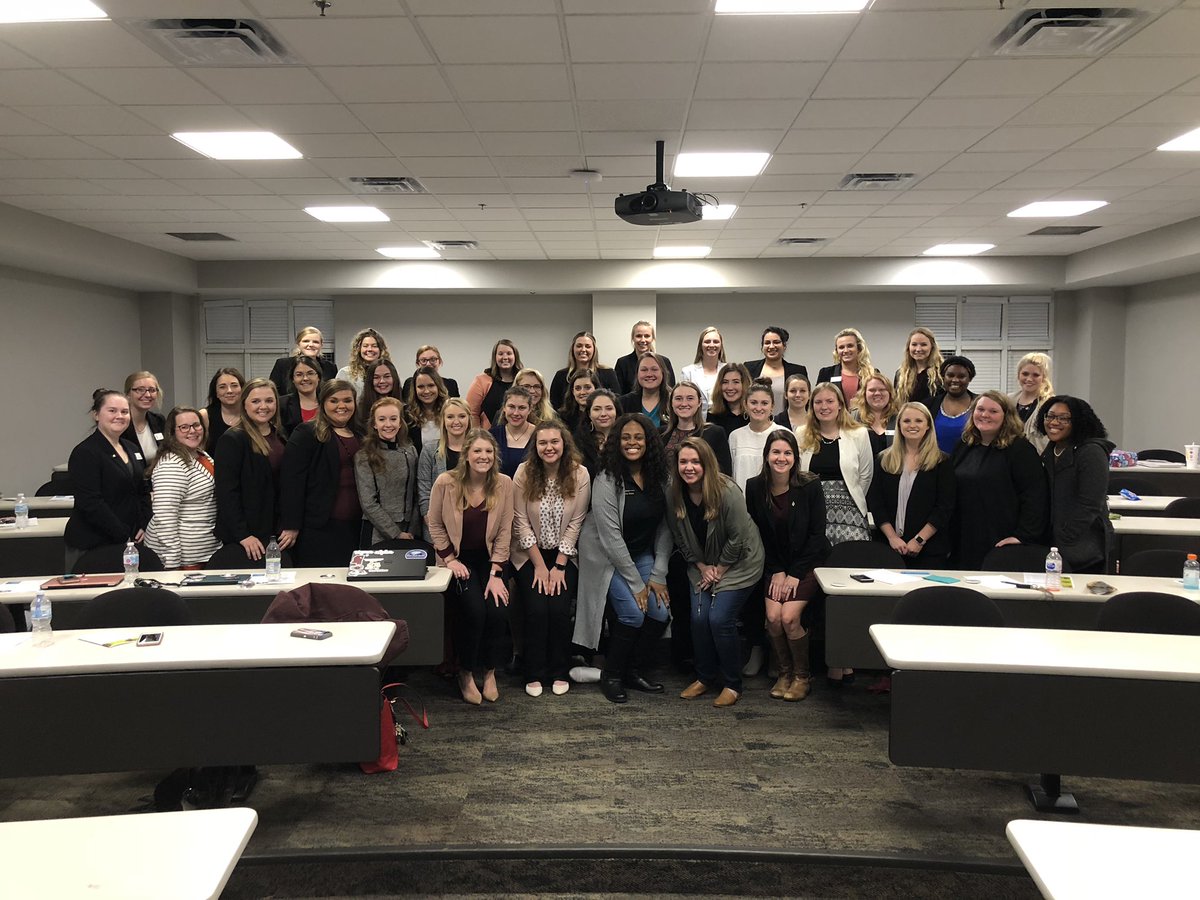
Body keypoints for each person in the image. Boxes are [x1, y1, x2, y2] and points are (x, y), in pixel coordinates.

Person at [575, 414, 673, 704]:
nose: (632, 443)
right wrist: (637, 584)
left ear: (649, 442)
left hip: (641, 553)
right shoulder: (607, 478)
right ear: (617, 443)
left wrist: (658, 574)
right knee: (632, 612)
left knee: (659, 613)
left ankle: (633, 670)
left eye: (638, 437)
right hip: (605, 557)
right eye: (626, 438)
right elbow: (610, 537)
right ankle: (612, 675)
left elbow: (667, 526)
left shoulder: (661, 476)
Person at [668, 438, 765, 709]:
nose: (689, 467)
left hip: (740, 563)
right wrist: (701, 567)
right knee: (699, 619)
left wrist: (718, 570)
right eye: (683, 462)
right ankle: (705, 676)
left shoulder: (727, 490)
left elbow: (738, 537)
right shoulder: (673, 492)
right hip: (702, 564)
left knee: (719, 618)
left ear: (707, 463)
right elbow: (679, 535)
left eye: (695, 462)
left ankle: (732, 684)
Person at [427, 430, 515, 705]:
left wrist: (497, 573)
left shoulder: (504, 483)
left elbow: (504, 531)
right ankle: (464, 672)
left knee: (498, 611)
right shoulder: (446, 482)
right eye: (477, 451)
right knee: (475, 611)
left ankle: (489, 672)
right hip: (458, 561)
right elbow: (435, 524)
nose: (483, 457)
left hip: (490, 561)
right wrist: (450, 560)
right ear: (466, 455)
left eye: (488, 452)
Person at [795, 382, 874, 686]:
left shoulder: (858, 434)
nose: (824, 407)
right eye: (818, 403)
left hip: (850, 516)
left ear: (841, 405)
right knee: (818, 588)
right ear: (812, 407)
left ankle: (846, 656)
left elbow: (865, 475)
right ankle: (824, 656)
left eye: (830, 401)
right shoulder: (802, 434)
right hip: (814, 515)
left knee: (848, 591)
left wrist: (847, 504)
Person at [745, 430, 829, 702]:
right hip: (774, 564)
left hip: (808, 563)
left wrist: (793, 574)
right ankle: (784, 673)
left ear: (795, 457)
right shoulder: (754, 487)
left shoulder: (810, 486)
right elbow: (757, 534)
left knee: (789, 617)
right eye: (776, 452)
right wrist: (778, 570)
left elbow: (817, 536)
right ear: (767, 456)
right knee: (772, 618)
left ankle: (802, 676)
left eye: (787, 453)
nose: (781, 458)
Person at [512, 422, 591, 697]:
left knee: (558, 610)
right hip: (528, 554)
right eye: (542, 443)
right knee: (535, 609)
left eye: (554, 442)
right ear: (535, 446)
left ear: (564, 443)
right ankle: (533, 671)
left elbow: (576, 523)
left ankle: (559, 669)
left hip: (565, 554)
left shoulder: (580, 474)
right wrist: (539, 566)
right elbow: (520, 522)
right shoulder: (523, 472)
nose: (549, 448)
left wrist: (557, 566)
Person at [951, 391, 1049, 570]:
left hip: (1002, 538)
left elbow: (1035, 496)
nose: (985, 415)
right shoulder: (965, 445)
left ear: (1007, 416)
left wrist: (1023, 536)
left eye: (993, 411)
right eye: (980, 409)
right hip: (964, 536)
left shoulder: (1020, 450)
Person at [280, 380, 365, 567]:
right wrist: (291, 524)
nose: (341, 406)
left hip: (357, 526)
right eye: (334, 401)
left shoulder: (361, 433)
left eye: (347, 400)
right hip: (320, 527)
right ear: (323, 403)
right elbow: (291, 481)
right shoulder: (307, 432)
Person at [65, 389, 152, 569]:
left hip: (130, 540)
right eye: (112, 411)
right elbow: (90, 503)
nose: (120, 416)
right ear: (96, 414)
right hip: (93, 543)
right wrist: (122, 533)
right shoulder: (86, 452)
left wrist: (143, 523)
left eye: (125, 411)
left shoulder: (132, 448)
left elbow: (143, 490)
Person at [867, 402, 956, 568]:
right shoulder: (884, 459)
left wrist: (919, 540)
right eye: (907, 421)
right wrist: (892, 537)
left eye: (918, 421)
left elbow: (944, 507)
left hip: (929, 550)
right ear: (899, 425)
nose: (912, 425)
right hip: (889, 547)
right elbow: (876, 502)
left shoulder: (942, 462)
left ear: (928, 425)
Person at [214, 379, 291, 564]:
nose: (263, 406)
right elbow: (226, 492)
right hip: (248, 538)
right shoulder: (233, 439)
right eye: (256, 401)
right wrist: (243, 535)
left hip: (276, 532)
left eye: (269, 401)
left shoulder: (280, 434)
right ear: (245, 405)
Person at [1036, 395, 1113, 573]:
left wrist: (1066, 536)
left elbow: (1090, 503)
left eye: (1063, 418)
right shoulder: (1052, 448)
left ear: (1079, 421)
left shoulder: (1091, 451)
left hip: (1083, 544)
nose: (1054, 422)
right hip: (1055, 544)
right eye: (1050, 416)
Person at [143, 406, 221, 569]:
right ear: (172, 433)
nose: (192, 431)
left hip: (204, 549)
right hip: (184, 557)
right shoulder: (171, 464)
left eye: (196, 425)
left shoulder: (201, 454)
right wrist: (172, 563)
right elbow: (165, 517)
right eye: (184, 427)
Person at [355, 397, 419, 546]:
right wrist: (396, 534)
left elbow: (416, 493)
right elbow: (368, 503)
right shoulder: (364, 456)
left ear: (400, 422)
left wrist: (412, 529)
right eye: (382, 419)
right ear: (374, 424)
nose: (388, 424)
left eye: (393, 419)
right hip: (377, 532)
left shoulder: (411, 451)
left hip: (409, 530)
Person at [418, 398, 472, 543]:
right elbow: (424, 490)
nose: (456, 421)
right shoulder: (430, 450)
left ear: (469, 419)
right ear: (443, 420)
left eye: (462, 416)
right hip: (438, 528)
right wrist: (432, 525)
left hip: (472, 527)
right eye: (450, 417)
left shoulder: (477, 450)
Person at [728, 378, 788, 491]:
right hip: (742, 503)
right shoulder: (735, 436)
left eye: (764, 403)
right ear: (745, 405)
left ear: (772, 406)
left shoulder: (784, 434)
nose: (759, 408)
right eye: (753, 402)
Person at [662, 382, 732, 475]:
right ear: (671, 403)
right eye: (678, 398)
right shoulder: (661, 433)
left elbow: (724, 473)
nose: (684, 403)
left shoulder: (715, 433)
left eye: (690, 398)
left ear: (699, 402)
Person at [744, 326, 808, 415]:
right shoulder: (749, 368)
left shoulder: (797, 370)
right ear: (762, 347)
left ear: (784, 346)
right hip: (756, 422)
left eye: (776, 342)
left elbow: (804, 402)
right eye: (767, 343)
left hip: (786, 424)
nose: (771, 346)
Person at [549, 331, 620, 409]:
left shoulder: (608, 373)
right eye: (579, 346)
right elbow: (554, 405)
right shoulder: (561, 375)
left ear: (594, 350)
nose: (583, 349)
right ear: (573, 349)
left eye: (588, 346)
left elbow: (616, 402)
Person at [923, 355, 977, 453]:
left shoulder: (980, 405)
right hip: (936, 464)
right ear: (943, 377)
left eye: (961, 376)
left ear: (970, 379)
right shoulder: (929, 405)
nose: (955, 380)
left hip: (970, 465)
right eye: (950, 375)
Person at [466, 339, 522, 430]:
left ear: (515, 356)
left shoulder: (522, 381)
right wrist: (478, 436)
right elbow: (471, 413)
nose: (505, 357)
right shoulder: (481, 381)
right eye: (500, 354)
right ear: (495, 357)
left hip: (519, 437)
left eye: (509, 353)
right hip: (488, 438)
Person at [268, 326, 336, 398]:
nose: (311, 345)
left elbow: (333, 393)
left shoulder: (330, 367)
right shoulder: (282, 364)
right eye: (306, 341)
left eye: (315, 342)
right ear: (298, 344)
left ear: (321, 345)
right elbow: (273, 391)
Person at [614, 320, 676, 395]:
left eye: (647, 336)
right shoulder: (623, 363)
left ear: (652, 338)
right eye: (638, 336)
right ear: (633, 338)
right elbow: (618, 394)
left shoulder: (664, 362)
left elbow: (670, 390)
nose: (643, 340)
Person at [1010, 352, 1054, 454]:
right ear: (1018, 375)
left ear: (1044, 377)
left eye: (1036, 375)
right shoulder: (1009, 400)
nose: (1029, 379)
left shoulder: (1051, 404)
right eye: (1025, 374)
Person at [816, 328, 874, 404]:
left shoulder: (872, 373)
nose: (846, 350)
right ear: (836, 351)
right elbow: (819, 400)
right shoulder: (826, 373)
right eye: (841, 347)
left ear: (859, 348)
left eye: (850, 346)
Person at [489, 386, 535, 478]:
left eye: (522, 408)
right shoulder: (492, 435)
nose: (516, 413)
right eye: (511, 407)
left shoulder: (539, 435)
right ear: (504, 408)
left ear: (530, 409)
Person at [679, 325, 726, 415]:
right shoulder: (688, 372)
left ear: (721, 346)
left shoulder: (727, 370)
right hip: (696, 422)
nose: (711, 345)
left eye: (716, 342)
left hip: (723, 420)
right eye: (707, 342)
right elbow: (684, 400)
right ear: (701, 345)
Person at [574, 388, 619, 480]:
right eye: (597, 409)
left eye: (609, 408)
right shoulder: (577, 442)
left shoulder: (625, 439)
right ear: (589, 414)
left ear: (616, 412)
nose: (603, 414)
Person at [618, 352, 672, 428]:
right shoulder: (623, 403)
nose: (649, 374)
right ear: (637, 374)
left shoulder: (674, 402)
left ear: (663, 373)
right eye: (644, 370)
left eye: (654, 369)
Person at [121, 370, 165, 464]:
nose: (148, 395)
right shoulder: (120, 423)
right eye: (140, 390)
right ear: (128, 394)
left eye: (152, 390)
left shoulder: (159, 421)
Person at [405, 365, 449, 455]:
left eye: (431, 385)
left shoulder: (450, 411)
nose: (426, 391)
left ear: (438, 386)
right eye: (421, 387)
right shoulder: (406, 415)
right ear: (415, 389)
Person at [894, 327, 943, 406]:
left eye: (923, 344)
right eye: (914, 344)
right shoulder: (901, 374)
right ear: (908, 347)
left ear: (932, 347)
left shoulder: (941, 373)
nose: (918, 349)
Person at [199, 367, 244, 455]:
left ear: (242, 389)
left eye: (234, 385)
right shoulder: (205, 416)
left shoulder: (251, 414)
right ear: (216, 392)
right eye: (222, 387)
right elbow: (199, 452)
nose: (229, 391)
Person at [852, 373, 898, 455]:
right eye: (872, 390)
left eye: (882, 389)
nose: (877, 393)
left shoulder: (899, 418)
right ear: (864, 394)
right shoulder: (854, 417)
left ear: (890, 393)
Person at [336, 327, 390, 397]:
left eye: (374, 346)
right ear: (359, 349)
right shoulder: (345, 373)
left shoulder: (389, 373)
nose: (369, 349)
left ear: (381, 350)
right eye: (365, 346)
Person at [279, 355, 324, 434]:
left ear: (318, 377)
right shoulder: (281, 404)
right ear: (293, 379)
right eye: (299, 374)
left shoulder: (328, 401)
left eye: (310, 373)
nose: (305, 378)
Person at [706, 362, 752, 437]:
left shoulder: (753, 415)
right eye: (725, 382)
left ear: (744, 384)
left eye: (736, 382)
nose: (730, 387)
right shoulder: (712, 415)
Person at [357, 359, 403, 430]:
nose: (382, 381)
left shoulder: (405, 408)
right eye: (376, 377)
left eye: (387, 376)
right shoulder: (361, 410)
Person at [558, 368, 597, 432]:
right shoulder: (563, 417)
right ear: (573, 392)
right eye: (578, 388)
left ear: (596, 388)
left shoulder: (602, 415)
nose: (582, 392)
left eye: (587, 387)